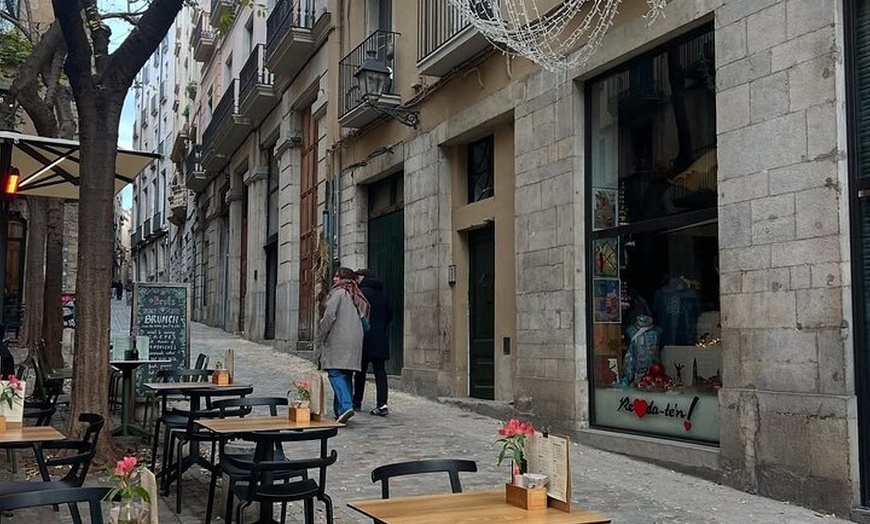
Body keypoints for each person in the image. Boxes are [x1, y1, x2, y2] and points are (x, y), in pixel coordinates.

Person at [317, 267, 369, 423]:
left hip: (339, 339)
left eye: (337, 277)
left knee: (335, 372)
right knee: (345, 375)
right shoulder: (357, 295)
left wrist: (321, 333)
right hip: (355, 341)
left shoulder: (339, 293)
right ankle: (340, 411)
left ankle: (346, 406)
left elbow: (329, 316)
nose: (334, 279)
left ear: (343, 279)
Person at [352, 268, 393, 416]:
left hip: (364, 337)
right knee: (380, 373)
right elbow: (390, 315)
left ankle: (356, 402)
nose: (356, 280)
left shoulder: (361, 293)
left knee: (360, 372)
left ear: (363, 278)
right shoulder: (383, 293)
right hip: (380, 338)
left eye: (357, 277)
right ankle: (382, 404)